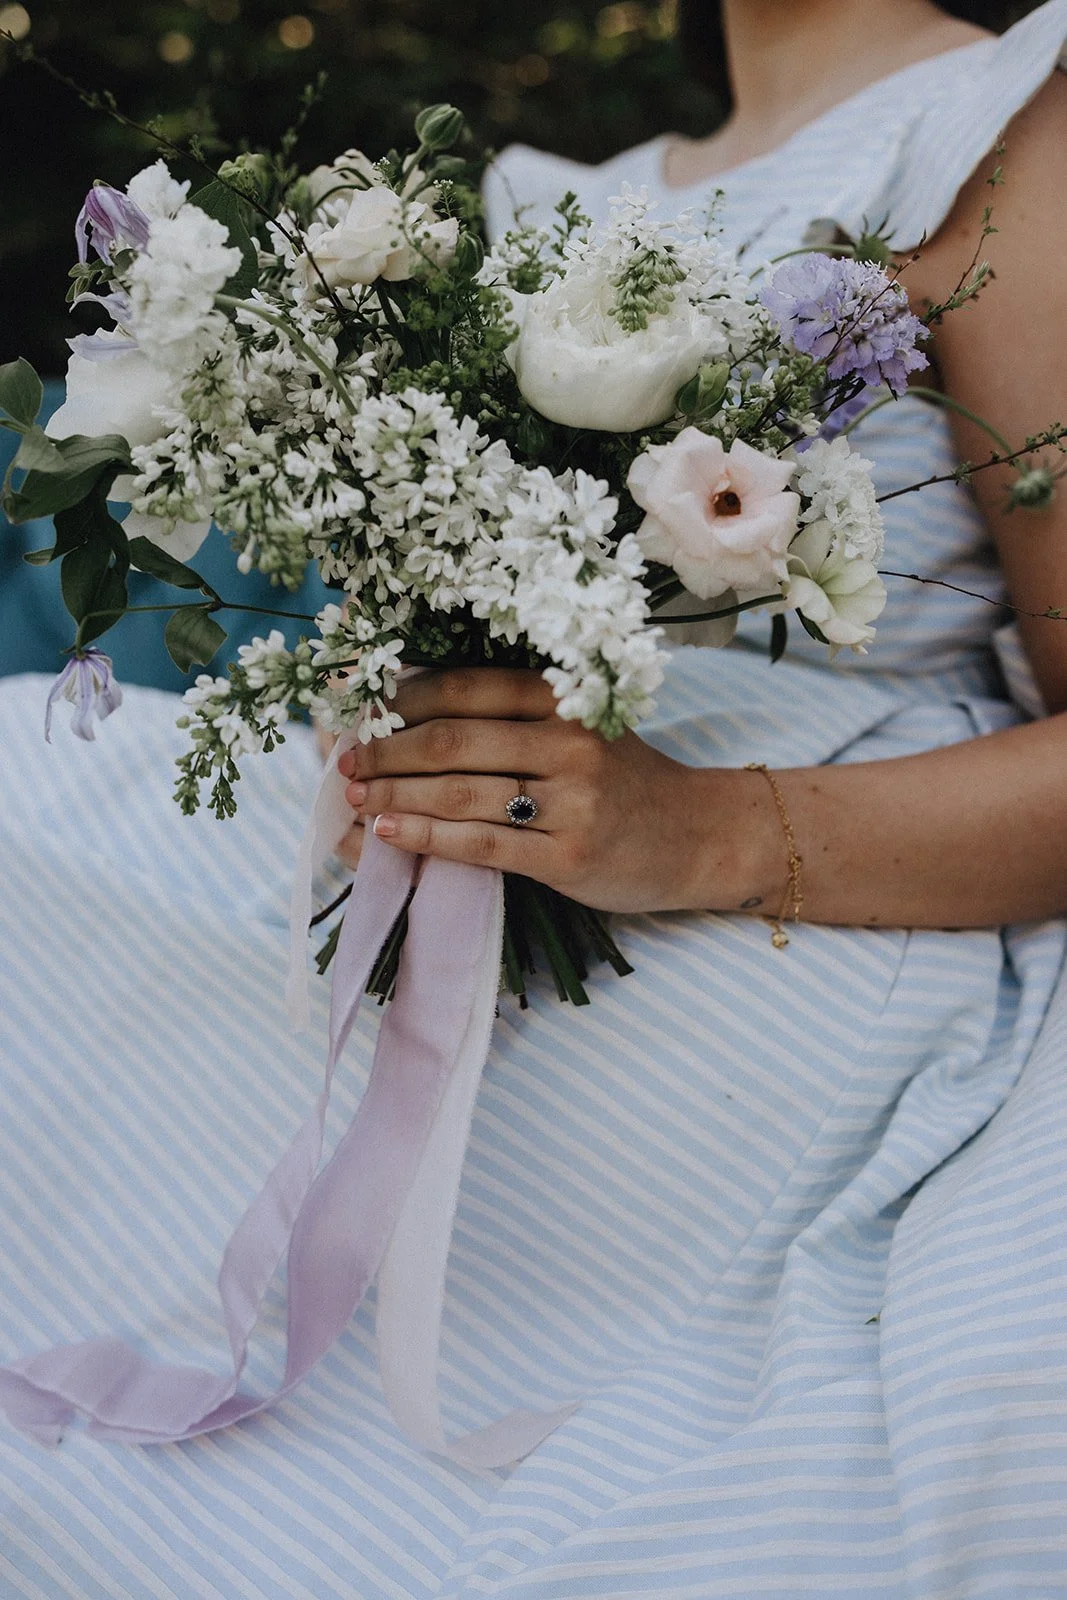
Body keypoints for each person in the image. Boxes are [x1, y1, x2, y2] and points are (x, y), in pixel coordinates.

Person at [1, 2, 1066, 1595]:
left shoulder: (990, 131)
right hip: (468, 895)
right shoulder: (554, 197)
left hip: (796, 939)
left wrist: (693, 833)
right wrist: (393, 716)